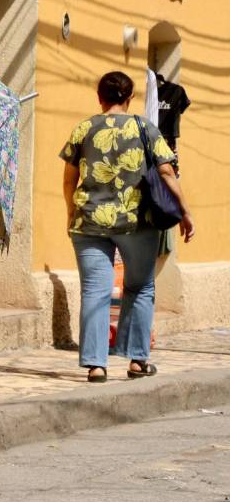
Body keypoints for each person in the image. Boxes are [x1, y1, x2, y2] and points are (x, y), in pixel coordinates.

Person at [60, 71, 194, 382]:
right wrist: (185, 213)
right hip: (137, 223)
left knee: (95, 291)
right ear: (129, 98)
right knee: (141, 287)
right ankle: (137, 361)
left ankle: (96, 365)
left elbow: (69, 180)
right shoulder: (144, 127)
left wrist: (71, 212)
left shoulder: (84, 129)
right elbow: (166, 172)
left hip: (89, 221)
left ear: (100, 97)